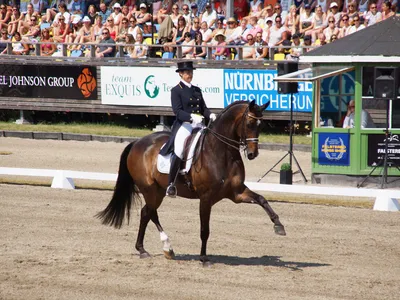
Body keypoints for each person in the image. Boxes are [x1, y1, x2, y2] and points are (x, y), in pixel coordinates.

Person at [160, 61, 216, 197]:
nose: (189, 75)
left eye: (190, 72)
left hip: (199, 124)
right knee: (179, 150)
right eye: (186, 73)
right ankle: (171, 184)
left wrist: (211, 115)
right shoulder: (176, 90)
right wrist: (191, 117)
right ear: (180, 74)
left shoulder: (197, 90)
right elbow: (177, 111)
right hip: (184, 125)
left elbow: (203, 108)